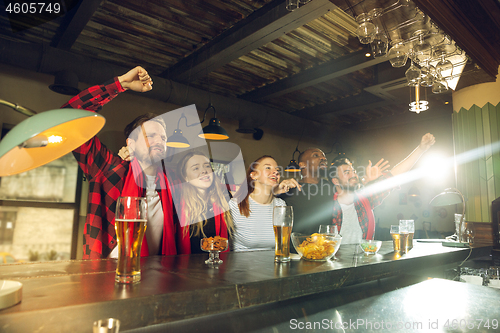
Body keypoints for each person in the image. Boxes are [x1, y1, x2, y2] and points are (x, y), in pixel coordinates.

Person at [62, 66, 179, 259]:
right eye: (150, 136)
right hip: (108, 280)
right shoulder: (109, 169)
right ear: (131, 144)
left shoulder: (171, 187)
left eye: (163, 137)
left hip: (159, 278)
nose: (159, 141)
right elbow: (68, 118)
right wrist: (120, 85)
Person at [330, 133, 436, 244]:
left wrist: (421, 149)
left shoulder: (365, 199)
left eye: (354, 171)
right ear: (335, 181)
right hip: (335, 259)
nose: (353, 175)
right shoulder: (326, 204)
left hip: (364, 258)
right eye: (347, 172)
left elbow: (395, 176)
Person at [230, 155, 300, 252]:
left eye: (277, 170)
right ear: (254, 175)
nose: (276, 172)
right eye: (268, 168)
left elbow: (282, 244)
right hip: (241, 265)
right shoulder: (235, 204)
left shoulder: (281, 205)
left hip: (272, 265)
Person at [174, 151, 234, 254]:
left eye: (207, 166)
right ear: (185, 177)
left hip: (220, 264)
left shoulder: (225, 197)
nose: (204, 171)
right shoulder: (177, 202)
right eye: (196, 168)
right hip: (188, 266)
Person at [280, 148, 335, 235]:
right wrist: (276, 190)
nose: (323, 158)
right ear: (302, 165)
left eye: (324, 157)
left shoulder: (331, 187)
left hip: (325, 246)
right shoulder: (290, 190)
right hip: (297, 247)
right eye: (316, 155)